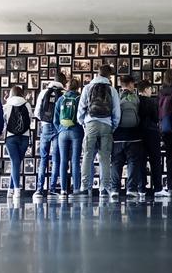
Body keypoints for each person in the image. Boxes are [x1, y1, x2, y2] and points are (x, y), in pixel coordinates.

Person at [77, 64, 121, 198]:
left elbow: (81, 109)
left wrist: (84, 123)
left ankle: (85, 187)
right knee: (105, 157)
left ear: (98, 73)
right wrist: (112, 126)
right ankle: (104, 188)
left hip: (90, 124)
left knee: (88, 155)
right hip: (106, 124)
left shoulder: (88, 88)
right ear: (109, 76)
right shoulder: (112, 90)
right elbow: (116, 112)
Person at [32, 73, 66, 198]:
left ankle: (39, 189)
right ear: (63, 81)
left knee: (43, 158)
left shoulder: (44, 92)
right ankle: (52, 189)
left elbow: (37, 113)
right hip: (58, 128)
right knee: (56, 159)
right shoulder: (63, 93)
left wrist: (44, 119)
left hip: (45, 127)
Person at [112, 75, 144, 199]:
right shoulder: (136, 98)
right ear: (131, 84)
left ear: (121, 84)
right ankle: (131, 190)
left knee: (116, 163)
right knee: (133, 163)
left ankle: (115, 189)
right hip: (134, 136)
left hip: (118, 136)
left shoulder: (117, 98)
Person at [54, 78, 83, 198]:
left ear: (67, 87)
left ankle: (63, 190)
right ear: (77, 88)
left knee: (63, 160)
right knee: (75, 161)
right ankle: (76, 189)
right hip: (76, 131)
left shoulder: (61, 99)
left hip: (62, 132)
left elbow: (55, 119)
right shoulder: (79, 98)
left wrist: (60, 129)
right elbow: (82, 116)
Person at [3, 85, 33, 200]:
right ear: (22, 93)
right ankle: (10, 190)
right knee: (16, 162)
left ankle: (16, 190)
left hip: (11, 137)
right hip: (24, 137)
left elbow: (4, 120)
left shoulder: (7, 105)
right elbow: (30, 120)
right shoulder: (27, 104)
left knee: (15, 162)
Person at [137, 79, 161, 200]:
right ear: (146, 89)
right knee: (155, 161)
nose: (151, 91)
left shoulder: (136, 101)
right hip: (152, 133)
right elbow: (156, 118)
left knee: (141, 161)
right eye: (150, 89)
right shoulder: (152, 102)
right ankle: (158, 188)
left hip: (139, 134)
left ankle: (141, 188)